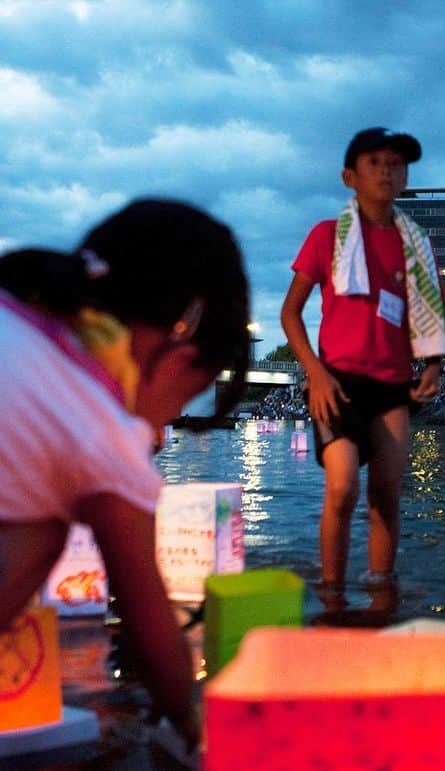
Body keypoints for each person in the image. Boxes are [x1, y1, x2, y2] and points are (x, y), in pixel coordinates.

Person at [0, 199, 251, 748]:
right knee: (48, 525)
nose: (160, 430)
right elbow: (147, 621)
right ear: (181, 355)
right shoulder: (96, 427)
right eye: (189, 394)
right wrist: (190, 722)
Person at [280, 127, 445, 606]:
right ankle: (331, 595)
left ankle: (380, 597)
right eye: (375, 163)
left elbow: (430, 313)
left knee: (386, 494)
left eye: (396, 164)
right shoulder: (327, 236)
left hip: (393, 384)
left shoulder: (415, 244)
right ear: (349, 176)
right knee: (342, 485)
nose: (387, 172)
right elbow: (290, 313)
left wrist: (433, 366)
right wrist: (314, 372)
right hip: (337, 381)